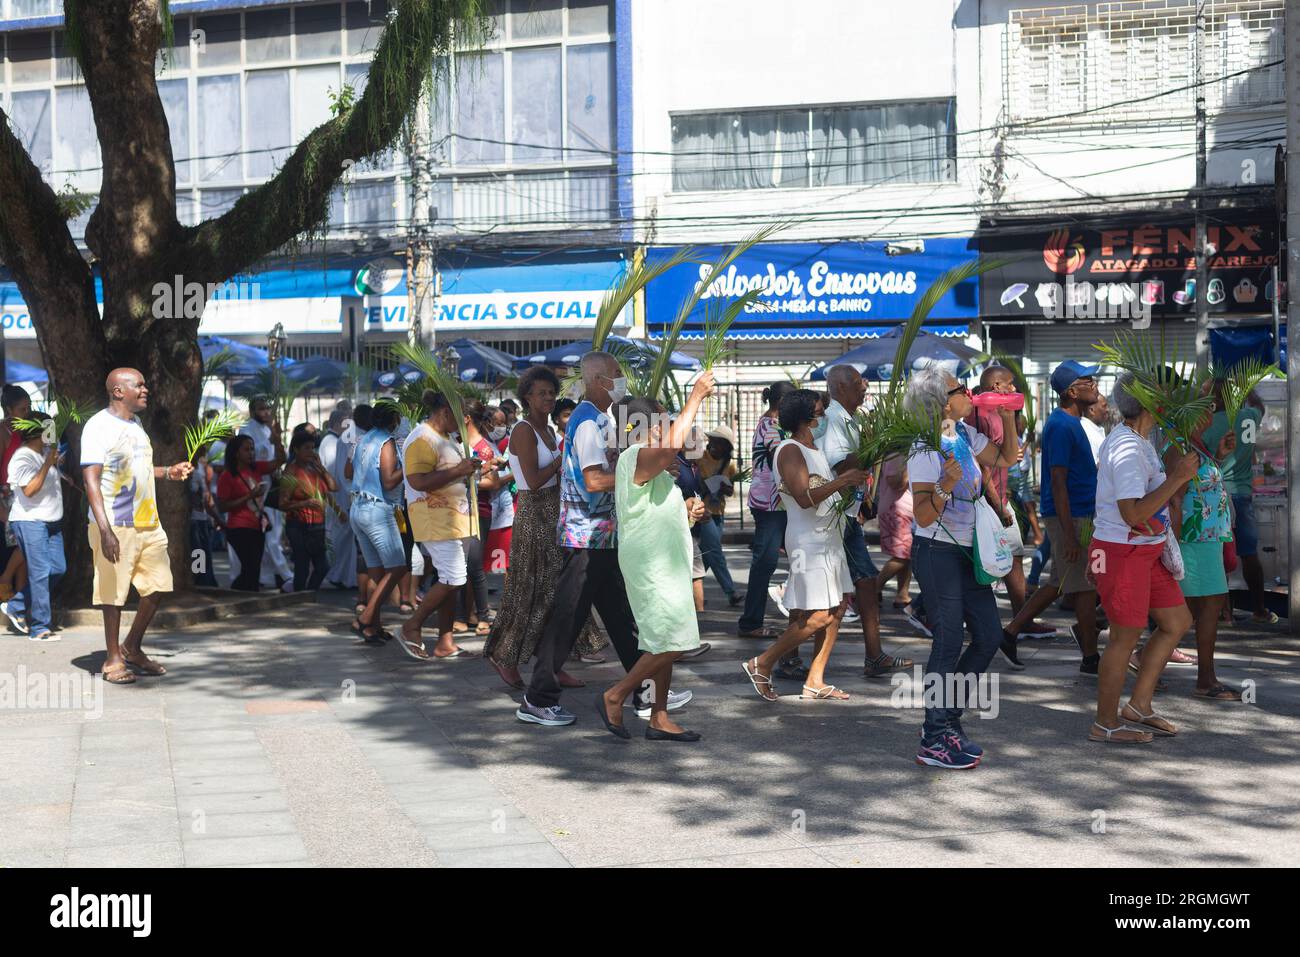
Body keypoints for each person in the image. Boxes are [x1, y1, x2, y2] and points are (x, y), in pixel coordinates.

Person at [517, 351, 689, 727]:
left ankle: (645, 690)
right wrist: (641, 475)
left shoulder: (600, 420)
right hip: (585, 538)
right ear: (597, 380)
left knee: (621, 617)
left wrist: (648, 466)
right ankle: (537, 698)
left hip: (603, 536)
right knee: (567, 618)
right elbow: (593, 480)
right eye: (616, 374)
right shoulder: (587, 425)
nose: (622, 379)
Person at [903, 368, 1020, 768]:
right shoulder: (924, 448)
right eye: (959, 389)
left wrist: (1007, 413)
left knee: (989, 635)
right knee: (948, 641)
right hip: (937, 552)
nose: (969, 393)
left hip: (969, 550)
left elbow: (1005, 457)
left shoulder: (966, 435)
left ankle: (947, 720)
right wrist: (944, 486)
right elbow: (921, 516)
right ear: (941, 401)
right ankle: (934, 738)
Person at [595, 382, 715, 741]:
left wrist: (689, 511)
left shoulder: (649, 464)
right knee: (673, 640)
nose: (670, 428)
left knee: (660, 641)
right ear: (648, 426)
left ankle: (659, 716)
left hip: (665, 560)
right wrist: (694, 398)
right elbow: (667, 452)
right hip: (651, 564)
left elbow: (655, 511)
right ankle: (615, 695)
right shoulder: (635, 455)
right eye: (664, 421)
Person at [1089, 373, 1199, 743]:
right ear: (1149, 402)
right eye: (1160, 393)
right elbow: (1132, 514)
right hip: (1123, 551)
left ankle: (1139, 705)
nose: (1167, 397)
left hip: (1144, 551)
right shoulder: (1127, 448)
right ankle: (1105, 723)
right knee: (1124, 637)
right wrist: (1178, 478)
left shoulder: (1140, 440)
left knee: (1176, 621)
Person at [486, 368, 606, 688]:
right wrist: (565, 455)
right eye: (542, 393)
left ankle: (553, 663)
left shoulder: (550, 431)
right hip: (533, 515)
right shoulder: (524, 431)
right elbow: (535, 481)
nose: (549, 399)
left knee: (560, 595)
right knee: (529, 593)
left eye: (552, 393)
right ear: (527, 397)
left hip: (556, 514)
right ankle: (505, 657)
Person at [741, 389, 863, 702]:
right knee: (819, 615)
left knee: (835, 610)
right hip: (809, 540)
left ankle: (816, 679)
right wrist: (843, 481)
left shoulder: (814, 448)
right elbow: (804, 498)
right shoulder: (790, 449)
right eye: (820, 413)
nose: (824, 419)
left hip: (827, 538)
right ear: (807, 419)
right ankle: (762, 662)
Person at [81, 368, 194, 684]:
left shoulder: (136, 425)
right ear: (118, 391)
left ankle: (131, 646)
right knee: (112, 594)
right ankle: (112, 658)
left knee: (158, 586)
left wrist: (168, 471)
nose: (146, 389)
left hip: (148, 523)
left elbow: (139, 468)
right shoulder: (98, 427)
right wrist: (105, 530)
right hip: (116, 523)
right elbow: (91, 480)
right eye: (139, 385)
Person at [998, 361, 1101, 673]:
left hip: (1079, 514)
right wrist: (1069, 533)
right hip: (1072, 517)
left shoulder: (1070, 423)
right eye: (1088, 380)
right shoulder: (1060, 426)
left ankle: (1011, 633)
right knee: (1083, 586)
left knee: (1063, 583)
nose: (1095, 384)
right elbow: (1057, 481)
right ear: (1072, 391)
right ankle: (1090, 657)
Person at [817, 365, 912, 678]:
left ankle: (873, 655)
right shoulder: (834, 420)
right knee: (835, 591)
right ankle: (785, 660)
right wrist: (879, 444)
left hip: (845, 515)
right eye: (859, 382)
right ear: (842, 387)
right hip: (834, 516)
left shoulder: (849, 419)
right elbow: (842, 464)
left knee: (858, 584)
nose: (865, 386)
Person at [1153, 395, 1241, 701]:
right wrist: (1171, 545)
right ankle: (1203, 678)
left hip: (1206, 538)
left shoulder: (1194, 444)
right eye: (1204, 409)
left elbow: (1200, 486)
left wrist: (1219, 455)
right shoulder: (1179, 446)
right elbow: (1174, 496)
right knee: (1196, 610)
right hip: (1192, 540)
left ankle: (1152, 662)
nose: (1210, 414)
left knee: (1196, 610)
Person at [967, 366, 1055, 639]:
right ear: (996, 387)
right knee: (979, 564)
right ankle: (927, 610)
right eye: (1010, 384)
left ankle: (1022, 618)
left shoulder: (999, 413)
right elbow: (980, 468)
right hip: (987, 502)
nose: (1015, 390)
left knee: (1014, 556)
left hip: (1000, 499)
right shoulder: (978, 415)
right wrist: (998, 505)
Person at [398, 390, 486, 660]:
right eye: (460, 416)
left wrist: (478, 468)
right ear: (445, 412)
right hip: (435, 520)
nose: (464, 421)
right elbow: (418, 481)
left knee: (450, 579)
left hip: (454, 520)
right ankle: (411, 626)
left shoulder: (446, 437)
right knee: (455, 576)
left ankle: (444, 641)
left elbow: (451, 473)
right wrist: (459, 470)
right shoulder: (422, 439)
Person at [1203, 386, 1273, 623]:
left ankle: (1225, 612)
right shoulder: (1249, 417)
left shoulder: (1208, 424)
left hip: (1216, 495)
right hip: (1243, 494)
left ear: (1215, 398)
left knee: (1218, 554)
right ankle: (1259, 608)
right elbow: (1260, 407)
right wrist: (1248, 389)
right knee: (1249, 554)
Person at [348, 404, 408, 646]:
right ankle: (366, 618)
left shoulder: (364, 439)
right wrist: (408, 468)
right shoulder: (386, 441)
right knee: (398, 567)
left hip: (358, 507)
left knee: (377, 572)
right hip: (376, 510)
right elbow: (389, 480)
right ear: (393, 419)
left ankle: (374, 627)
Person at [8, 414, 64, 642]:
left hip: (52, 521)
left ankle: (16, 605)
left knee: (57, 569)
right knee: (40, 573)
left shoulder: (43, 454)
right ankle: (40, 628)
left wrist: (53, 465)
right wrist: (48, 464)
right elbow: (29, 490)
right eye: (49, 429)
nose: (52, 434)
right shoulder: (22, 457)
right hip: (30, 521)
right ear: (39, 431)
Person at [454, 399, 502, 636]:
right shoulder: (456, 444)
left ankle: (483, 615)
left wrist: (466, 479)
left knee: (474, 565)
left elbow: (492, 482)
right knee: (461, 565)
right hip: (459, 511)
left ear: (466, 419)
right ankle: (465, 615)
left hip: (479, 511)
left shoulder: (484, 448)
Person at [239, 397, 293, 590]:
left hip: (273, 480)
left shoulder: (269, 427)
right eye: (262, 409)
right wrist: (268, 441)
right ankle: (286, 574)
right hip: (257, 482)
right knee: (268, 530)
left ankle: (268, 576)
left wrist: (275, 437)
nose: (266, 412)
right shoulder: (247, 428)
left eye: (268, 409)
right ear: (253, 411)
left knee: (275, 531)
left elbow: (280, 454)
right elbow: (250, 454)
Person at [875, 452, 929, 635]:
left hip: (908, 512)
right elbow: (896, 482)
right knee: (903, 555)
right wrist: (911, 464)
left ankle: (902, 594)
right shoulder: (895, 455)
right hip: (896, 510)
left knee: (906, 556)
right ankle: (874, 587)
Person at [218, 434, 280, 591]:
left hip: (257, 526)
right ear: (236, 453)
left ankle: (244, 595)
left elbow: (280, 460)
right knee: (250, 566)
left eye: (252, 449)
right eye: (246, 449)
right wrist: (249, 496)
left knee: (253, 568)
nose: (251, 452)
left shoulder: (256, 468)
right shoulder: (227, 476)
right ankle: (240, 593)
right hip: (238, 527)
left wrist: (277, 438)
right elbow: (223, 506)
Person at [282, 430, 339, 593]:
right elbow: (283, 503)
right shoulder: (291, 471)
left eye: (313, 448)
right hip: (298, 525)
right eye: (306, 448)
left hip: (317, 525)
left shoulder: (315, 469)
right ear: (296, 450)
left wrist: (321, 468)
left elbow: (334, 487)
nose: (311, 452)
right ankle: (299, 598)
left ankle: (308, 593)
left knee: (323, 566)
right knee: (302, 566)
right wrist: (305, 503)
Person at [696, 425, 743, 607]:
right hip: (702, 511)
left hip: (718, 512)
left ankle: (691, 588)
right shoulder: (700, 458)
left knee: (708, 555)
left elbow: (731, 491)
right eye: (713, 440)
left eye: (719, 442)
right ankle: (731, 592)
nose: (714, 444)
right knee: (715, 551)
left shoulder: (729, 464)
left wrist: (725, 488)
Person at [318, 409, 357, 589]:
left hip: (341, 497)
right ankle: (333, 575)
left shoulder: (337, 441)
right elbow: (331, 472)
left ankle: (344, 577)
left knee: (344, 540)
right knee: (337, 539)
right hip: (336, 498)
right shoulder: (330, 443)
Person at [188, 444, 221, 587]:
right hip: (194, 518)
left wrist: (214, 516)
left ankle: (207, 581)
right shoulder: (189, 468)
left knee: (205, 552)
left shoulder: (201, 467)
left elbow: (205, 495)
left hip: (203, 516)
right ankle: (199, 581)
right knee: (198, 552)